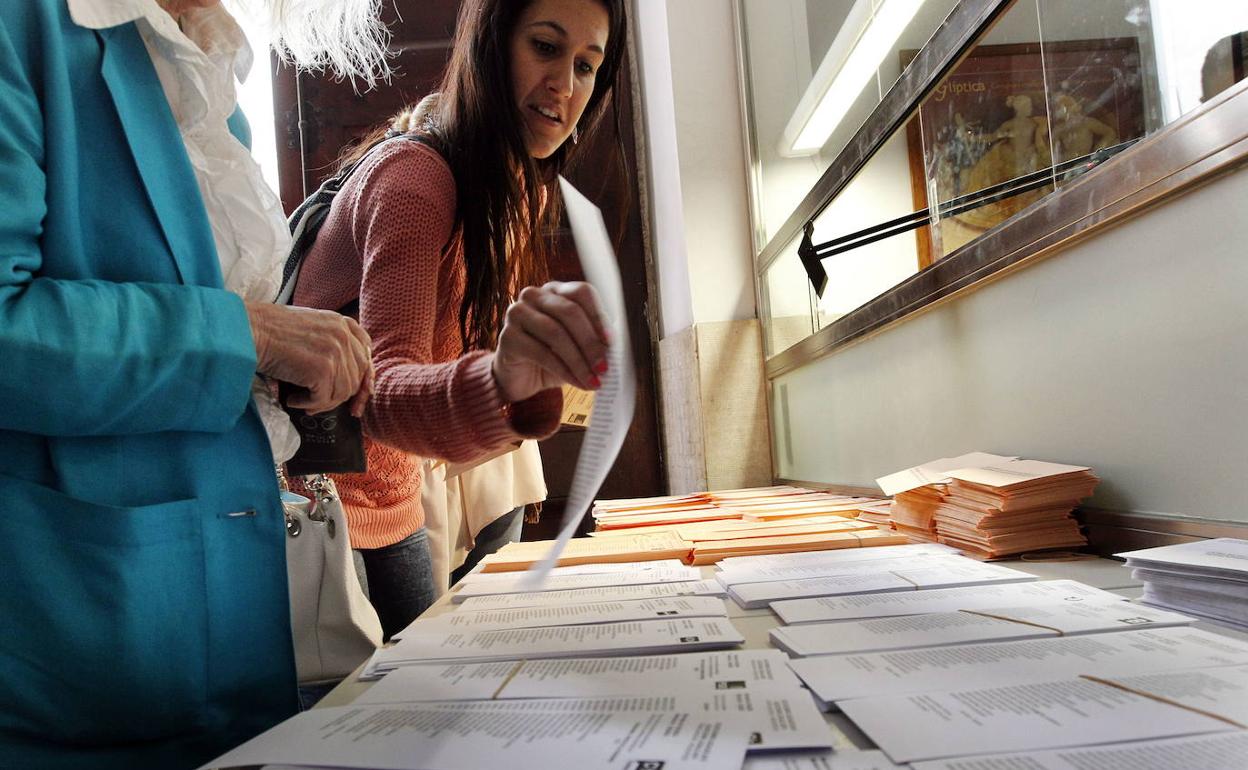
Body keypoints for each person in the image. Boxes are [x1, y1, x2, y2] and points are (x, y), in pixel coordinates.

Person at [0, 1, 389, 767]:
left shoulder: (204, 64)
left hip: (218, 607)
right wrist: (251, 336)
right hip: (81, 630)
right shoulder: (23, 25)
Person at [291, 0, 628, 636]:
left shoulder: (514, 185)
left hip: (400, 480)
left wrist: (532, 386)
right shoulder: (417, 182)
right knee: (399, 702)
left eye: (587, 66)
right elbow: (379, 387)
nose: (564, 85)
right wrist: (505, 378)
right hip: (330, 501)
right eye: (546, 48)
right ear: (490, 46)